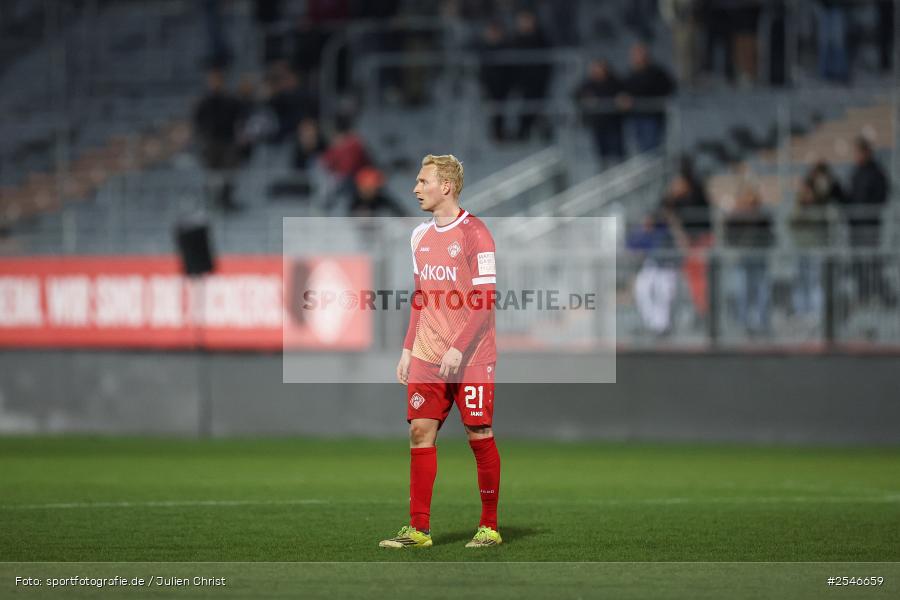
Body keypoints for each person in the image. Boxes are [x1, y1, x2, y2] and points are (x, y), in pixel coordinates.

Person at [380, 154, 501, 549]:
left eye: (422, 181)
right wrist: (406, 348)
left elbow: (485, 300)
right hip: (427, 355)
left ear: (445, 186)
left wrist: (458, 349)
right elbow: (421, 297)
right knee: (419, 432)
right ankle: (418, 530)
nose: (415, 189)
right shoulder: (418, 236)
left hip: (471, 356)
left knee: (478, 432)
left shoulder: (476, 234)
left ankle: (489, 526)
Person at [840, 137, 892, 305]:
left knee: (872, 264)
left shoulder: (877, 173)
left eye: (858, 152)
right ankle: (864, 297)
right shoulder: (855, 172)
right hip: (855, 228)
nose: (856, 156)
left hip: (870, 228)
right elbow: (850, 198)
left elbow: (881, 198)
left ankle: (884, 298)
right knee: (859, 266)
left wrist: (863, 210)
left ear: (867, 152)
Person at [193, 68, 243, 211]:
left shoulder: (232, 101)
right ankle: (212, 202)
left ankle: (226, 200)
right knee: (211, 174)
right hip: (211, 143)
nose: (215, 83)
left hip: (228, 142)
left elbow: (240, 119)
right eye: (212, 80)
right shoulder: (203, 102)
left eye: (218, 80)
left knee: (228, 173)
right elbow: (198, 122)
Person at [620, 44, 676, 153]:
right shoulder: (631, 74)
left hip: (652, 115)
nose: (636, 58)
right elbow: (625, 89)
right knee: (640, 146)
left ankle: (655, 167)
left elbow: (666, 87)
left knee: (652, 147)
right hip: (636, 114)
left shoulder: (656, 73)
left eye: (639, 55)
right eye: (634, 55)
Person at [573, 59, 624, 166]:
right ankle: (604, 173)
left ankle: (619, 174)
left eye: (599, 68)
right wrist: (585, 98)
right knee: (601, 154)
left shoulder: (614, 82)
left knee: (617, 152)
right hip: (597, 123)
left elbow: (623, 93)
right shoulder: (588, 83)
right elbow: (575, 94)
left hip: (613, 122)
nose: (597, 71)